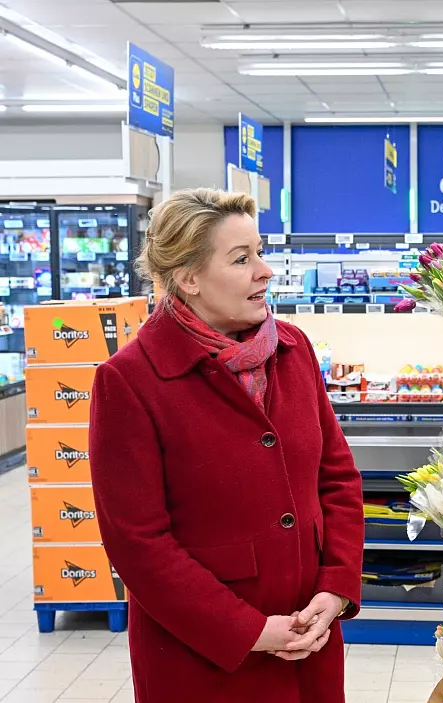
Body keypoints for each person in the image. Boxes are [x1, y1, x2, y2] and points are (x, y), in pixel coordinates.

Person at [89, 188, 364, 703]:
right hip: (204, 662)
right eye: (242, 259)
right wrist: (248, 630)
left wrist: (335, 586)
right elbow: (138, 543)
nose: (265, 271)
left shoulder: (293, 350)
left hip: (311, 639)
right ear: (188, 278)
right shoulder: (130, 382)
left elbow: (337, 478)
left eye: (260, 252)